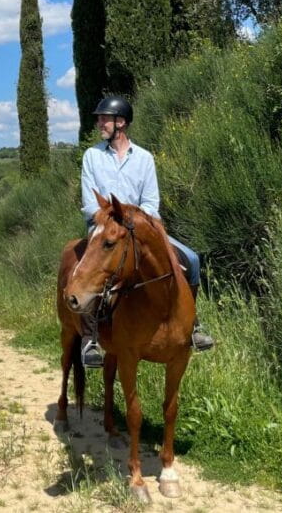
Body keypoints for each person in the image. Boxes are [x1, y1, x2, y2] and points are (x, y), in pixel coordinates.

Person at [79, 96, 215, 367]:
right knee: (83, 271)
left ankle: (193, 324)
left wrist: (134, 223)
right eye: (99, 118)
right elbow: (88, 203)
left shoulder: (144, 158)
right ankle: (90, 337)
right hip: (104, 228)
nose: (99, 123)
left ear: (121, 122)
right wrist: (111, 219)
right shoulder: (91, 156)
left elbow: (151, 203)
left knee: (192, 259)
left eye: (104, 118)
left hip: (140, 229)